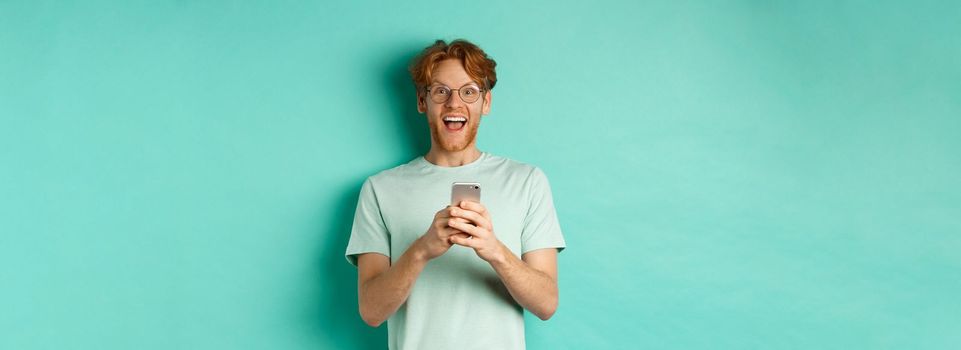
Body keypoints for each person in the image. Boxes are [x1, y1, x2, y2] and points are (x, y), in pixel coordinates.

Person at [345, 38, 566, 350]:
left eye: (469, 91)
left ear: (485, 103)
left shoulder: (527, 181)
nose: (454, 103)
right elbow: (371, 311)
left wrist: (494, 250)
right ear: (423, 102)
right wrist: (422, 249)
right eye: (440, 91)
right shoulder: (380, 189)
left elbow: (546, 304)